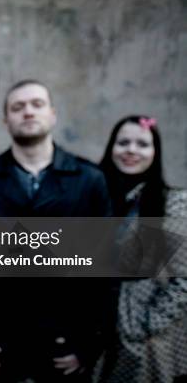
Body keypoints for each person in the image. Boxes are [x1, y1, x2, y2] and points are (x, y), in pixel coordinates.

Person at [0, 79, 112, 382]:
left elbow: (106, 268)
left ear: (53, 114)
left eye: (37, 104)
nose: (28, 112)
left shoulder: (90, 180)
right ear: (6, 121)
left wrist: (89, 343)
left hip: (63, 345)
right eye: (18, 107)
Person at [96, 115, 187, 383]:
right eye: (123, 142)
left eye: (142, 144)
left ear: (155, 152)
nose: (131, 151)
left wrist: (148, 323)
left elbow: (183, 279)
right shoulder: (96, 194)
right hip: (98, 328)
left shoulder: (173, 204)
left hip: (147, 335)